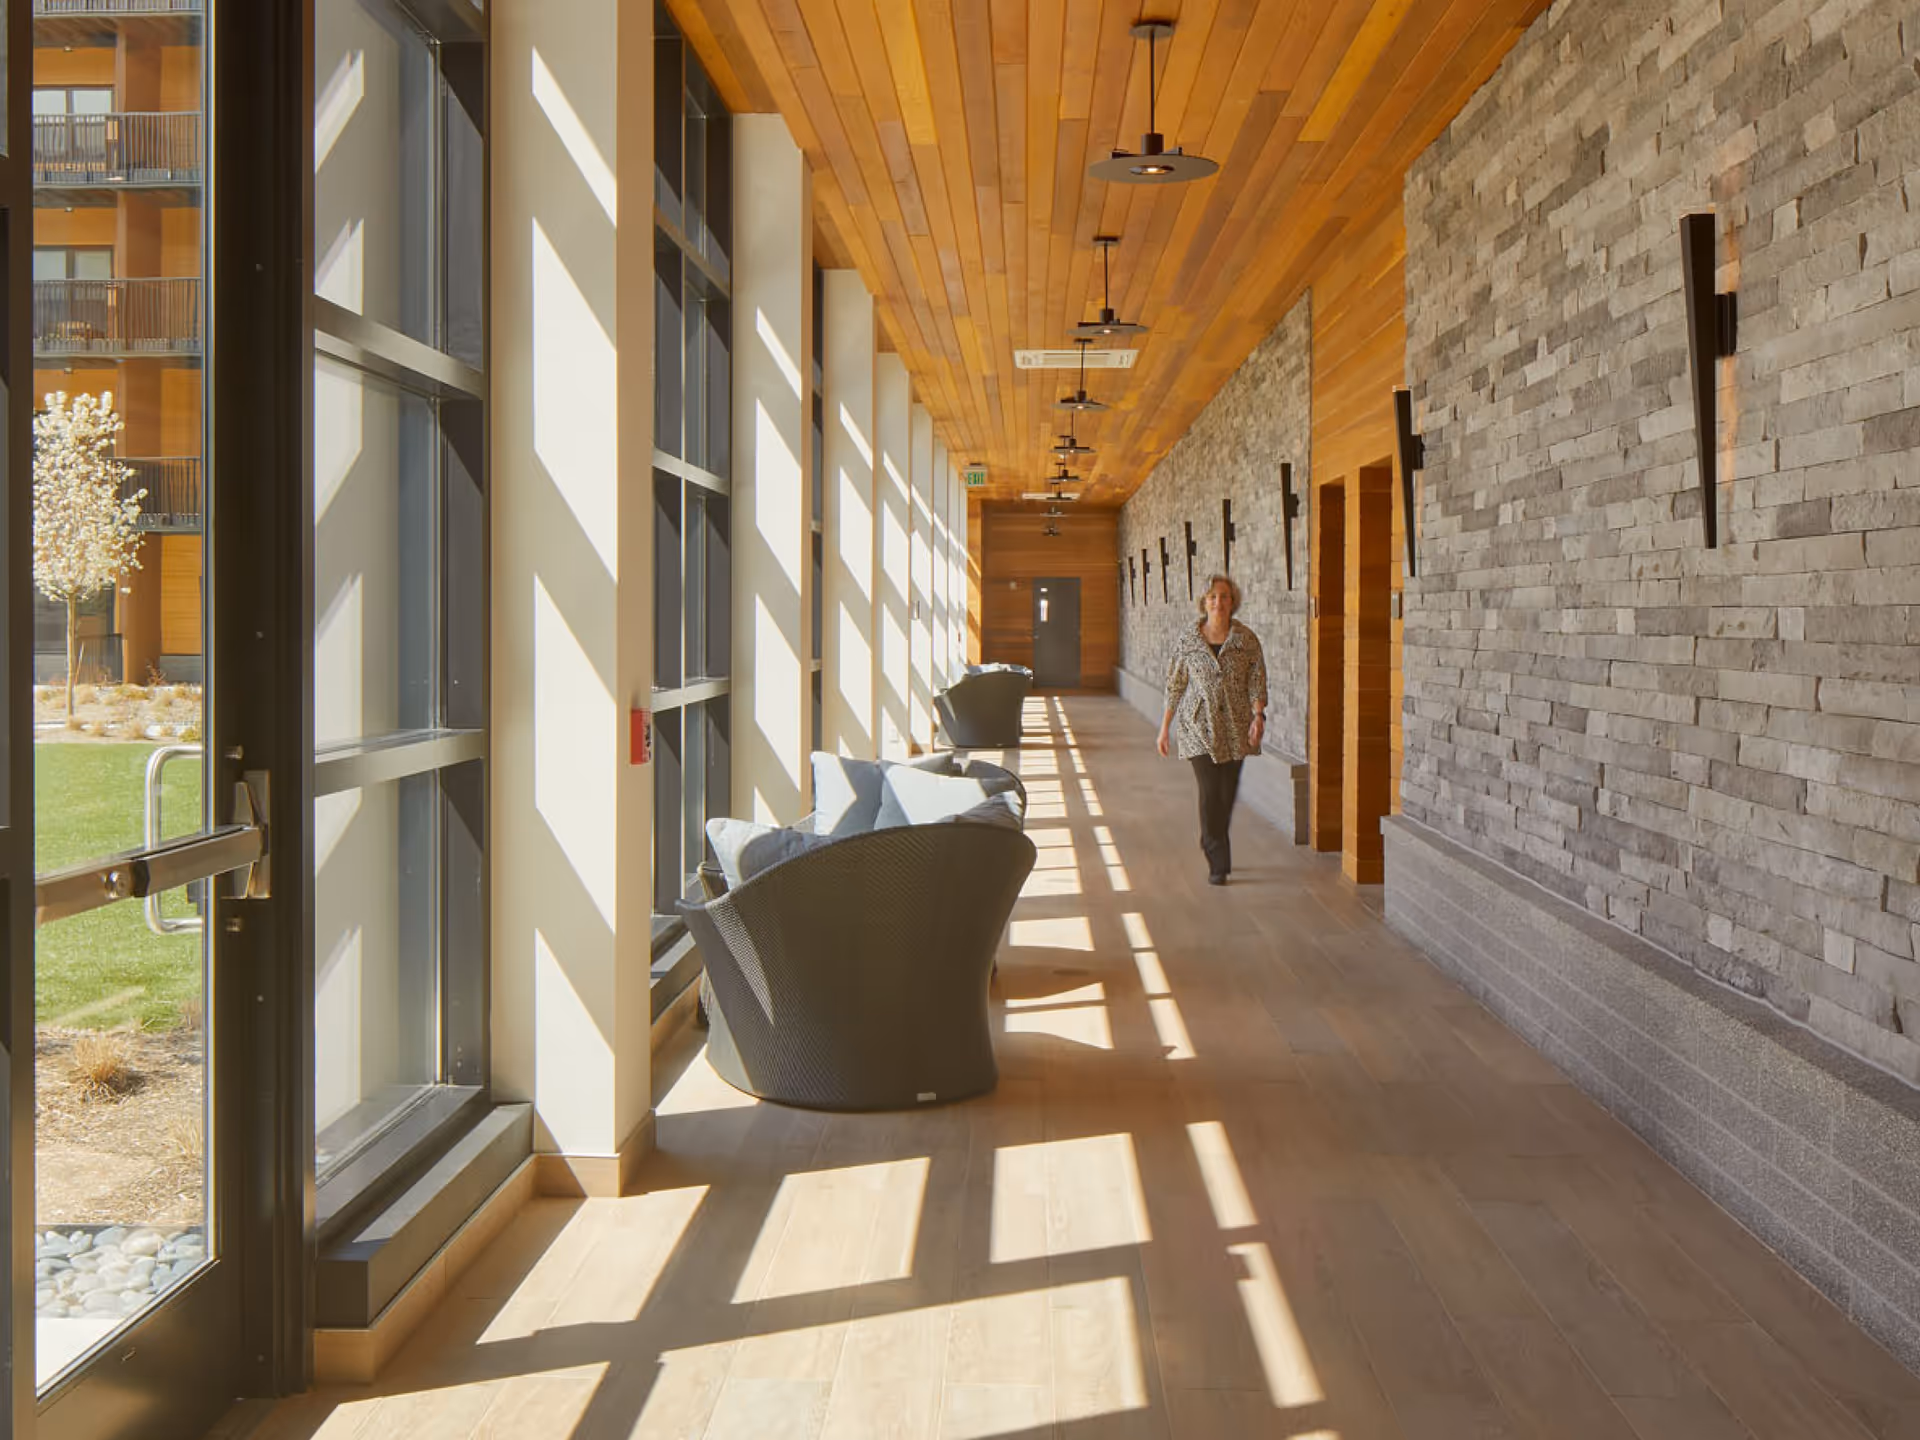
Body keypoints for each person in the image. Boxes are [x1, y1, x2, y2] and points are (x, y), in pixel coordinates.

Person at [1156, 573, 1269, 885]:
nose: (1218, 602)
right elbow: (1175, 684)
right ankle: (1216, 859)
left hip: (1236, 728)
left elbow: (1257, 680)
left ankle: (1214, 839)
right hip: (1198, 728)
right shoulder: (1188, 640)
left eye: (1224, 597)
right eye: (1213, 597)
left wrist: (1258, 717)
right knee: (1209, 793)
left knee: (1226, 793)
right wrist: (1164, 728)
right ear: (1204, 603)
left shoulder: (1246, 640)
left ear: (1233, 602)